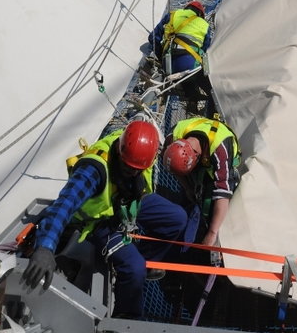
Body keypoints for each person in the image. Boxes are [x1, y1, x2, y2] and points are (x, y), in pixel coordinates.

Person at [21, 120, 187, 321]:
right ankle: (126, 319)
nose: (134, 172)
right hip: (99, 224)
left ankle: (144, 260)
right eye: (129, 168)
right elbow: (63, 207)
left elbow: (137, 178)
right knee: (134, 268)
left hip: (125, 203)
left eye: (138, 169)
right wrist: (45, 247)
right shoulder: (94, 171)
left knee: (176, 218)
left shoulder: (141, 157)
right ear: (119, 150)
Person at [162, 116, 241, 247]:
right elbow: (175, 169)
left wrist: (212, 232)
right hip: (200, 160)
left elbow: (223, 193)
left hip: (217, 170)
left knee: (209, 206)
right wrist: (187, 188)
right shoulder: (173, 137)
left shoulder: (220, 147)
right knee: (188, 205)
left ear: (197, 158)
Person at [149, 0, 212, 107]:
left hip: (168, 65)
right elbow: (206, 49)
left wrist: (160, 56)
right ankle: (200, 104)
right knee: (208, 86)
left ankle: (191, 97)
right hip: (191, 67)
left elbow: (152, 37)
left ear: (186, 8)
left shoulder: (173, 15)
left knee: (184, 71)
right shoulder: (205, 25)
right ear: (200, 14)